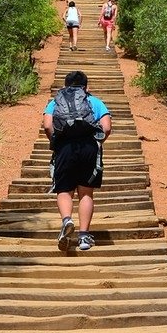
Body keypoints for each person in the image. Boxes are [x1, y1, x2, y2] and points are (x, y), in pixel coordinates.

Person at [43, 70, 111, 251]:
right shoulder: (95, 101)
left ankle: (67, 220)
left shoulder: (55, 101)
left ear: (65, 86)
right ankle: (84, 237)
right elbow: (107, 127)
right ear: (86, 86)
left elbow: (47, 125)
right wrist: (97, 143)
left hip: (64, 147)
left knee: (64, 189)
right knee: (86, 193)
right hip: (89, 147)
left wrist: (55, 142)